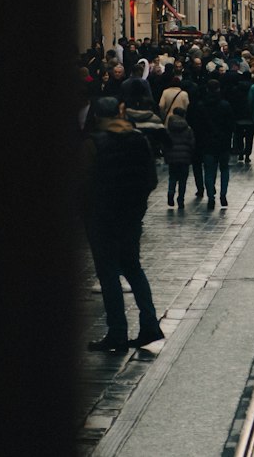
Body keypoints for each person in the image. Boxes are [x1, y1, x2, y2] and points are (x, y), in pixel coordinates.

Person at [81, 97, 165, 353]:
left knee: (109, 276)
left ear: (96, 117)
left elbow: (83, 186)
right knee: (133, 269)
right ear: (119, 112)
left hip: (102, 219)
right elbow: (150, 180)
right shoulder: (139, 139)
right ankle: (149, 324)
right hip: (130, 217)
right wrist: (136, 206)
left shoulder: (92, 144)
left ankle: (117, 332)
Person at [199, 79, 235, 209]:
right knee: (224, 169)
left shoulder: (202, 105)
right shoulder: (225, 105)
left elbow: (199, 126)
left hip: (207, 143)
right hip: (223, 142)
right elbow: (231, 125)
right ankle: (223, 194)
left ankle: (210, 196)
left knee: (209, 171)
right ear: (219, 89)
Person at [163, 103, 195, 210]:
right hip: (184, 158)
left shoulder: (169, 128)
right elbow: (192, 143)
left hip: (172, 158)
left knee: (172, 177)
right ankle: (180, 199)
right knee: (182, 180)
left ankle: (170, 195)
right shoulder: (188, 129)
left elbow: (165, 143)